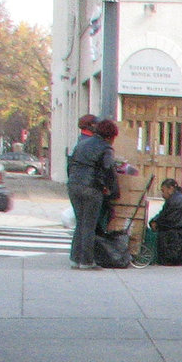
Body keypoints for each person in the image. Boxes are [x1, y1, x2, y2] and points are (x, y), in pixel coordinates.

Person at [66, 114, 116, 270]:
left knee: (80, 223)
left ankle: (75, 258)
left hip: (74, 185)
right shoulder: (106, 148)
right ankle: (87, 261)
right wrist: (109, 188)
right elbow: (108, 169)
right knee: (89, 224)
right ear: (110, 136)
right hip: (91, 188)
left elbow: (71, 164)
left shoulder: (82, 144)